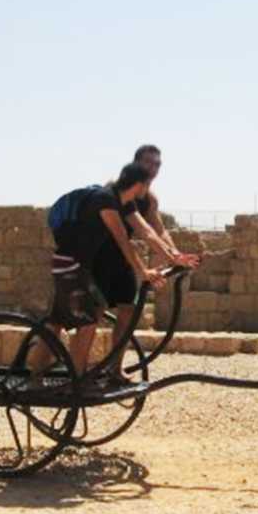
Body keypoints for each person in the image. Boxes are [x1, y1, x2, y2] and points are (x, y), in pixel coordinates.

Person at [36, 162, 197, 380]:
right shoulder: (105, 200)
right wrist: (143, 271)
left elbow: (146, 231)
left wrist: (173, 257)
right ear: (139, 185)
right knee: (85, 321)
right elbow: (123, 239)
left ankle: (54, 379)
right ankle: (72, 380)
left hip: (79, 265)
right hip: (70, 264)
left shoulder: (125, 203)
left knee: (67, 320)